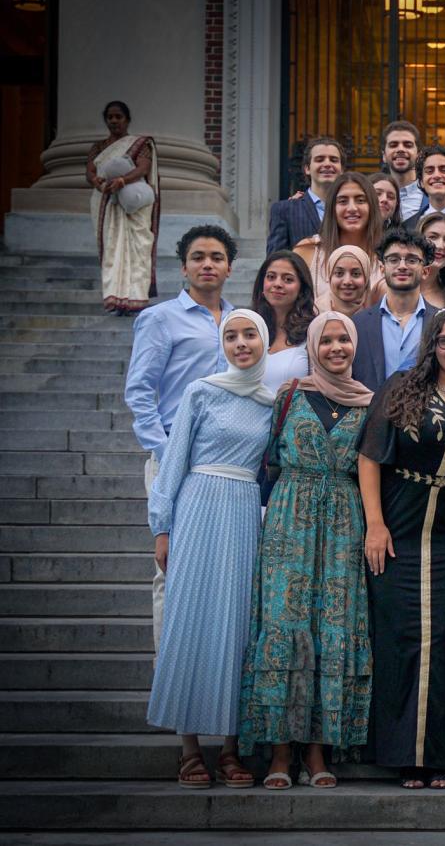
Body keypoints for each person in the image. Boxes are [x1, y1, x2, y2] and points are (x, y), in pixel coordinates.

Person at [238, 312, 374, 788]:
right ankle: (279, 753)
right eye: (328, 340)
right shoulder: (290, 394)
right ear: (313, 345)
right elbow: (267, 459)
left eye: (344, 339)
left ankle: (317, 753)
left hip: (343, 521)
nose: (337, 347)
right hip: (288, 517)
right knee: (284, 623)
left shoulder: (368, 404)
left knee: (331, 626)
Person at [359, 307, 445, 790]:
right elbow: (370, 455)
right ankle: (401, 755)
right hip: (399, 526)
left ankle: (440, 757)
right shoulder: (401, 388)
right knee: (402, 637)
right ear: (431, 346)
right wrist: (375, 525)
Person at [146, 309, 276, 789]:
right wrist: (163, 527)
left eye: (249, 335)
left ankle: (231, 748)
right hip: (198, 506)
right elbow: (173, 458)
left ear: (263, 341)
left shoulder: (269, 402)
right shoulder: (201, 391)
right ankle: (188, 747)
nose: (241, 344)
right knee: (191, 619)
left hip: (243, 511)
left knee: (237, 623)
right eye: (231, 336)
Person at [125, 225, 236, 649]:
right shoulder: (159, 318)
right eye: (198, 257)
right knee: (170, 566)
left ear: (229, 267)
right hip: (174, 450)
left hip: (224, 460)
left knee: (217, 568)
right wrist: (164, 450)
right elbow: (139, 391)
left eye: (216, 257)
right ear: (185, 266)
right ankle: (166, 675)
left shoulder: (239, 321)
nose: (207, 264)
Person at [88, 100, 159, 314]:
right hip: (107, 202)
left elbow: (144, 167)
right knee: (113, 249)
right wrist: (97, 182)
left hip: (133, 203)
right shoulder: (99, 147)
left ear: (127, 119)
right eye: (110, 117)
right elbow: (90, 170)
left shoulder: (140, 144)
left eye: (118, 116)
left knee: (138, 248)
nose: (114, 121)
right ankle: (116, 298)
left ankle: (136, 298)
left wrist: (123, 181)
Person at [351, 228, 432, 393]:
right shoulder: (358, 324)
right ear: (382, 268)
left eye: (412, 260)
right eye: (393, 259)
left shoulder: (441, 321)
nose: (402, 266)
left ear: (425, 271)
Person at [294, 172, 384, 311]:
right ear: (332, 208)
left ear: (372, 206)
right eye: (343, 201)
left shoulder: (387, 256)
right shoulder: (308, 251)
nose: (352, 208)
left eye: (360, 200)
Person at [267, 137, 344, 254]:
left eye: (333, 160)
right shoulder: (285, 210)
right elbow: (276, 260)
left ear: (342, 169)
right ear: (307, 168)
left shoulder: (352, 210)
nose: (327, 164)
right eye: (320, 159)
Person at [250, 251, 313, 391]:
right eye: (271, 277)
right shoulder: (249, 328)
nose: (278, 284)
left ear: (301, 289)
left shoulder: (313, 332)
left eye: (288, 279)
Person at [404, 144, 445, 231]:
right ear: (421, 181)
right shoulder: (408, 227)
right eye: (429, 171)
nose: (436, 175)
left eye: (444, 170)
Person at [380, 120, 423, 221]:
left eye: (408, 145)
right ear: (384, 156)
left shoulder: (430, 196)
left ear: (419, 155)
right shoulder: (371, 195)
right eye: (393, 145)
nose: (400, 149)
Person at [324, 245, 372, 318]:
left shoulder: (378, 312)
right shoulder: (314, 313)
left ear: (366, 277)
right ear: (330, 276)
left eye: (356, 274)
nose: (347, 282)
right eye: (339, 273)